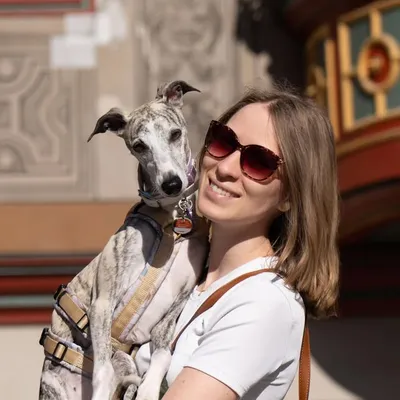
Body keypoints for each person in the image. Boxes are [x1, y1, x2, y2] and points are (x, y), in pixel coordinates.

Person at [137, 85, 340, 399]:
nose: (224, 168)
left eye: (258, 161)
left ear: (289, 196)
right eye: (223, 141)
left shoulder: (264, 301)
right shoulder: (183, 271)